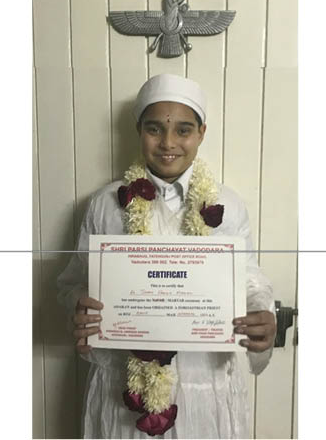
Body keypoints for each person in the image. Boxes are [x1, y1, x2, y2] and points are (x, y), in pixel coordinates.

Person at [56, 73, 276, 438]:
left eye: (183, 130)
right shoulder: (107, 204)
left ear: (201, 133)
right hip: (124, 390)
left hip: (205, 384)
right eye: (154, 129)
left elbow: (250, 280)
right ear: (139, 130)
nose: (168, 143)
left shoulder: (227, 205)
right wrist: (79, 305)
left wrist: (261, 315)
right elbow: (73, 282)